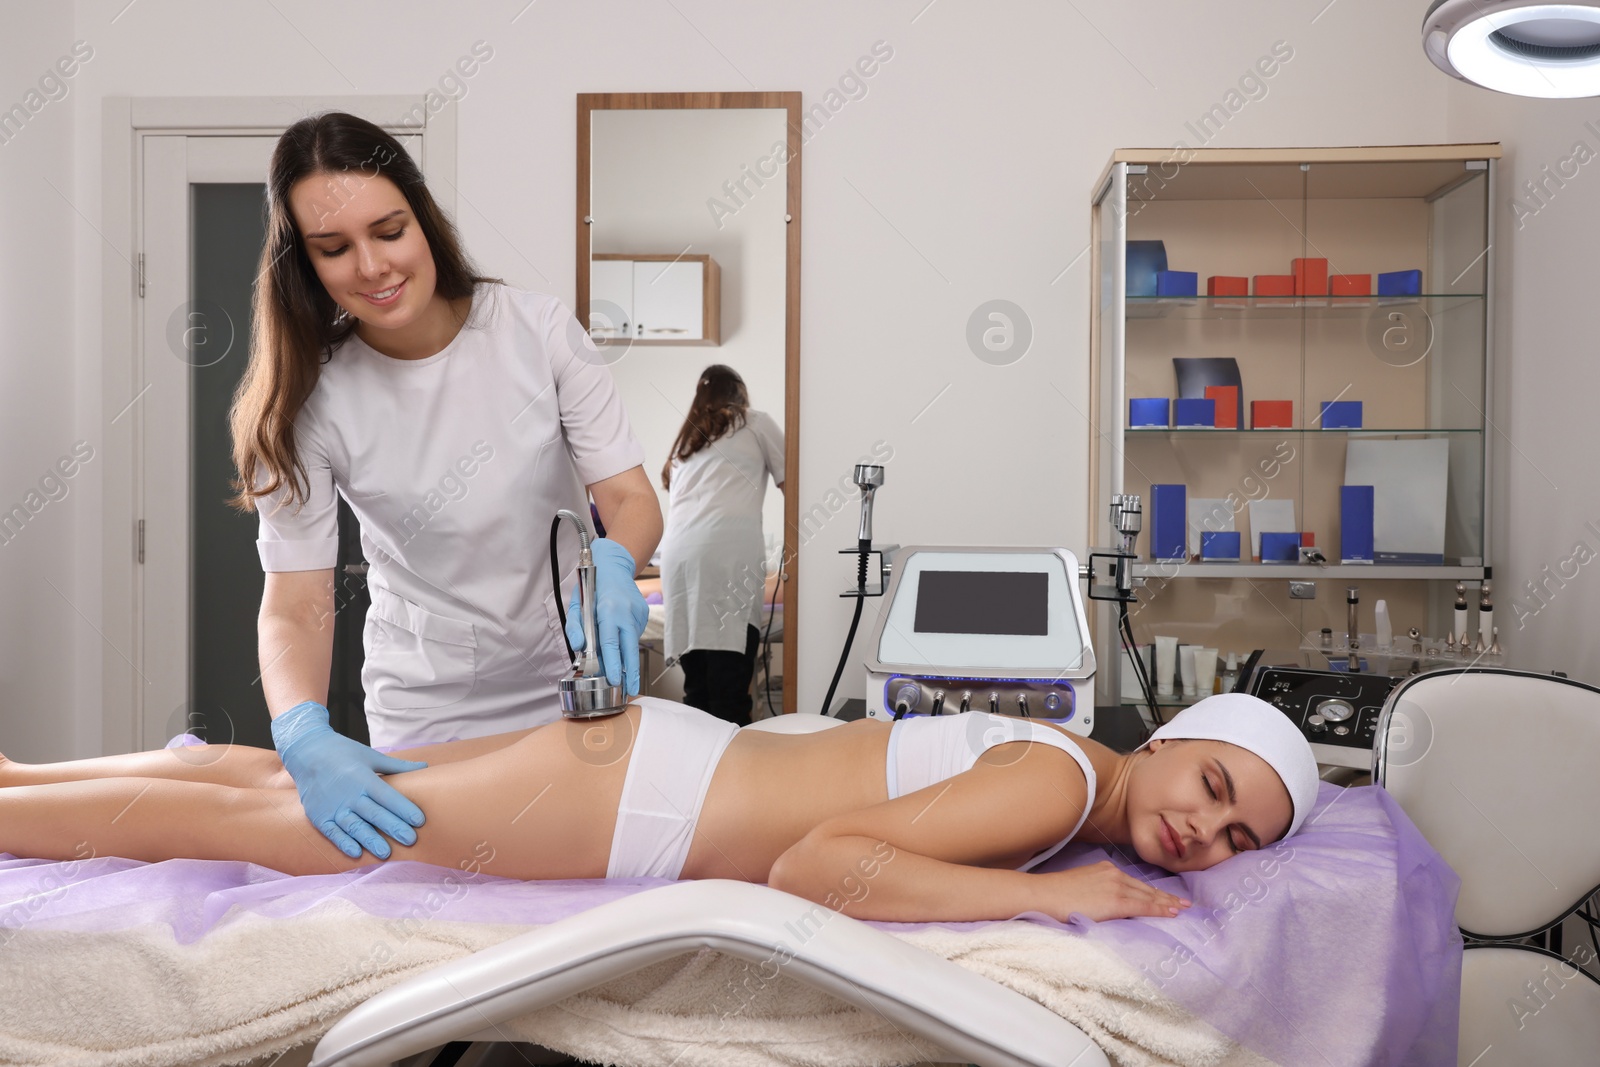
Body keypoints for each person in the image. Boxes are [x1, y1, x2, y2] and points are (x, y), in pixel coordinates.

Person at [229, 112, 662, 864]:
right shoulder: (311, 399)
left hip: (568, 687)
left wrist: (619, 561)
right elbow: (296, 600)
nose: (371, 266)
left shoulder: (538, 333)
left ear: (424, 217)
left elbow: (629, 500)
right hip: (427, 705)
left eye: (389, 230)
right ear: (306, 261)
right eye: (335, 248)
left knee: (572, 888)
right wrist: (300, 729)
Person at [0, 694, 1319, 924]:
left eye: (1240, 833)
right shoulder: (1063, 786)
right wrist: (1048, 891)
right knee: (254, 823)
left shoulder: (1064, 758)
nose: (1209, 833)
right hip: (641, 801)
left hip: (647, 757)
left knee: (268, 777)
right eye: (1214, 786)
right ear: (1175, 739)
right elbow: (819, 864)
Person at [659, 366, 785, 725]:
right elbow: (796, 484)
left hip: (679, 560)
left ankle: (699, 774)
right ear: (740, 394)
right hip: (726, 557)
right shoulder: (755, 422)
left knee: (696, 692)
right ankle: (733, 775)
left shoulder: (686, 443)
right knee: (730, 695)